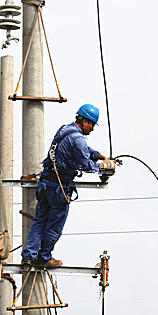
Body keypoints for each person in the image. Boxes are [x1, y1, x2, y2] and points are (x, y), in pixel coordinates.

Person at [21, 104, 118, 267]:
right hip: (58, 188)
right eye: (92, 124)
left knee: (39, 221)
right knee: (55, 225)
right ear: (85, 121)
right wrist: (103, 166)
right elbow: (84, 163)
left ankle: (28, 256)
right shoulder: (78, 138)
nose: (92, 129)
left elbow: (85, 150)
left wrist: (103, 157)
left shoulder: (65, 130)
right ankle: (43, 257)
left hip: (46, 184)